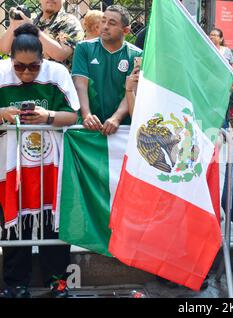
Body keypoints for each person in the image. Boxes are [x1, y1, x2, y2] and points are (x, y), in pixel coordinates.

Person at [0, 23, 80, 298]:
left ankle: (57, 283)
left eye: (32, 67)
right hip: (10, 166)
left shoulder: (57, 72)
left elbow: (73, 116)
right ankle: (15, 284)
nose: (25, 73)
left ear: (42, 60)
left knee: (53, 224)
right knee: (14, 224)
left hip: (50, 165)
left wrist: (47, 117)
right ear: (9, 60)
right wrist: (4, 113)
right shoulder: (0, 74)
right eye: (19, 67)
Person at [72, 5, 142, 135]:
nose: (105, 26)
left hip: (122, 130)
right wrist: (87, 115)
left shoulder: (136, 55)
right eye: (103, 21)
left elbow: (132, 90)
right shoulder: (83, 48)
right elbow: (80, 85)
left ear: (126, 30)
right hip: (88, 127)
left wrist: (116, 118)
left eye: (112, 23)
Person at [0, 0, 84, 69]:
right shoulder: (31, 20)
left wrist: (33, 29)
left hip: (55, 84)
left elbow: (60, 54)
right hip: (27, 80)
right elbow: (4, 49)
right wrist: (13, 25)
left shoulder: (70, 22)